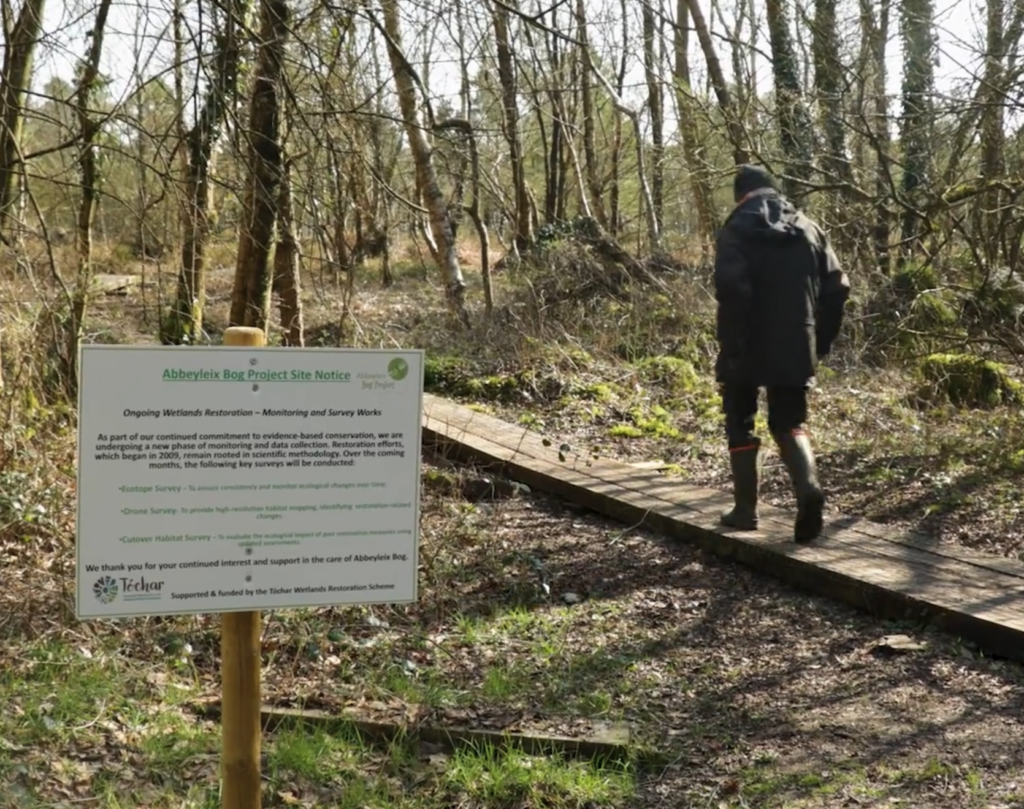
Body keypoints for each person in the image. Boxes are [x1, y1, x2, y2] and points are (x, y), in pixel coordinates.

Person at [713, 165, 851, 543]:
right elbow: (838, 288)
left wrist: (731, 343)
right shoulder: (808, 226)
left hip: (746, 340)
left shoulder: (737, 227)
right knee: (788, 421)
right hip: (796, 338)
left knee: (740, 419)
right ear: (771, 190)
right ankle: (808, 490)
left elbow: (730, 288)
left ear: (741, 195)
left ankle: (744, 511)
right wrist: (819, 341)